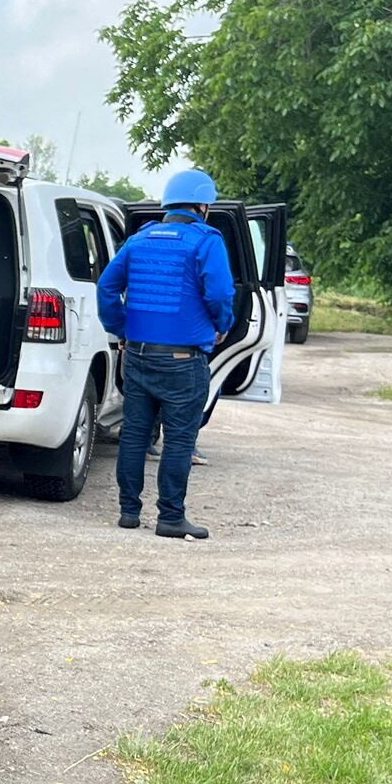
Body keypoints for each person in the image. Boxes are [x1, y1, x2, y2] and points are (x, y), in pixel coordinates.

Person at [96, 168, 235, 539]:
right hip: (184, 361)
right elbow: (220, 294)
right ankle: (171, 518)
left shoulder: (139, 241)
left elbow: (107, 288)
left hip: (138, 356)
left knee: (135, 435)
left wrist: (121, 329)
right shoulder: (206, 241)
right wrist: (224, 323)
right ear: (203, 205)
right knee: (179, 440)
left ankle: (128, 512)